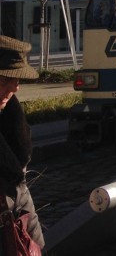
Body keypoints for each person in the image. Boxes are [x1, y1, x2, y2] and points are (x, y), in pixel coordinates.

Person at [0, 35, 44, 251]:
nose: (15, 88)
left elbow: (21, 194)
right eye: (5, 79)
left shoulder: (11, 123)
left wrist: (35, 243)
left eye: (16, 80)